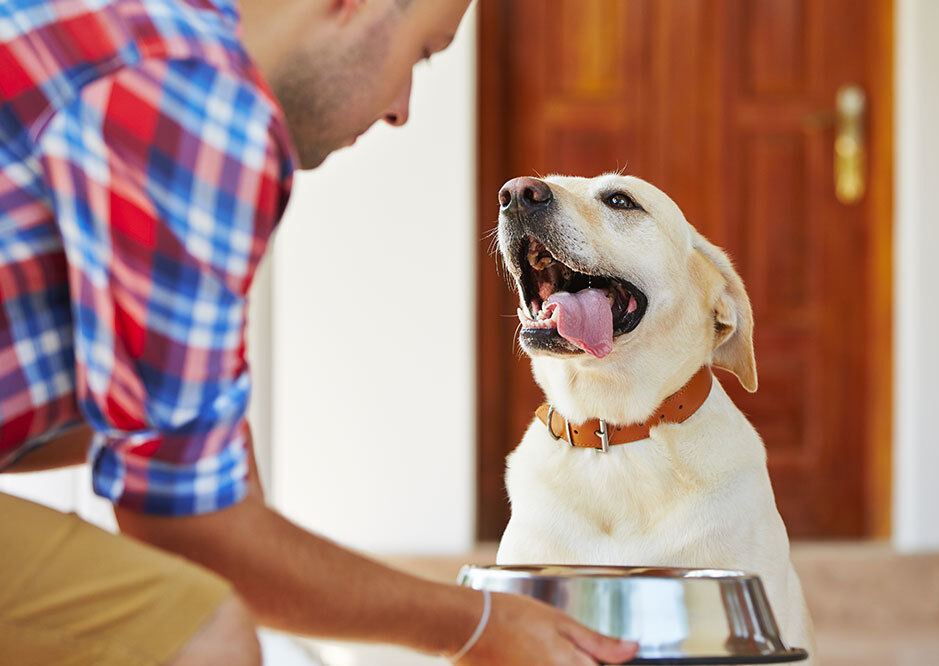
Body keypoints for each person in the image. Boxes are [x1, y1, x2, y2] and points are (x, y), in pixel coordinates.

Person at [0, 0, 641, 664]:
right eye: (421, 52)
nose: (402, 108)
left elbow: (153, 443)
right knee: (198, 634)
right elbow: (183, 529)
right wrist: (478, 624)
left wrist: (211, 461)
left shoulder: (135, 27)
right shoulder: (197, 97)